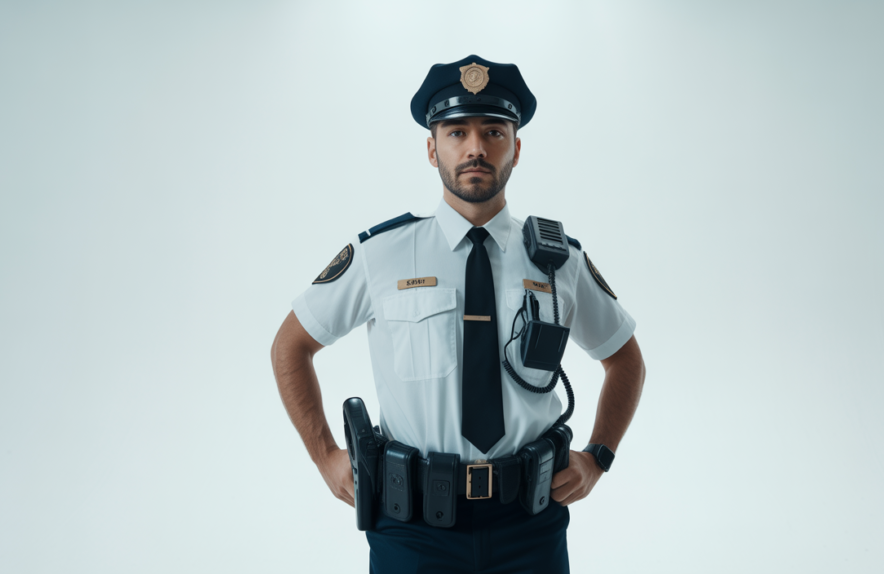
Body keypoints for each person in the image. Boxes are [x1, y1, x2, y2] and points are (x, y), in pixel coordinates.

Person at [270, 55, 645, 573]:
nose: (475, 148)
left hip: (530, 524)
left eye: (494, 131)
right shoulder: (382, 256)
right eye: (456, 132)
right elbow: (291, 345)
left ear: (517, 147)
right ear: (432, 149)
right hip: (412, 531)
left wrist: (598, 455)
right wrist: (325, 456)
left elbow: (625, 360)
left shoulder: (560, 261)